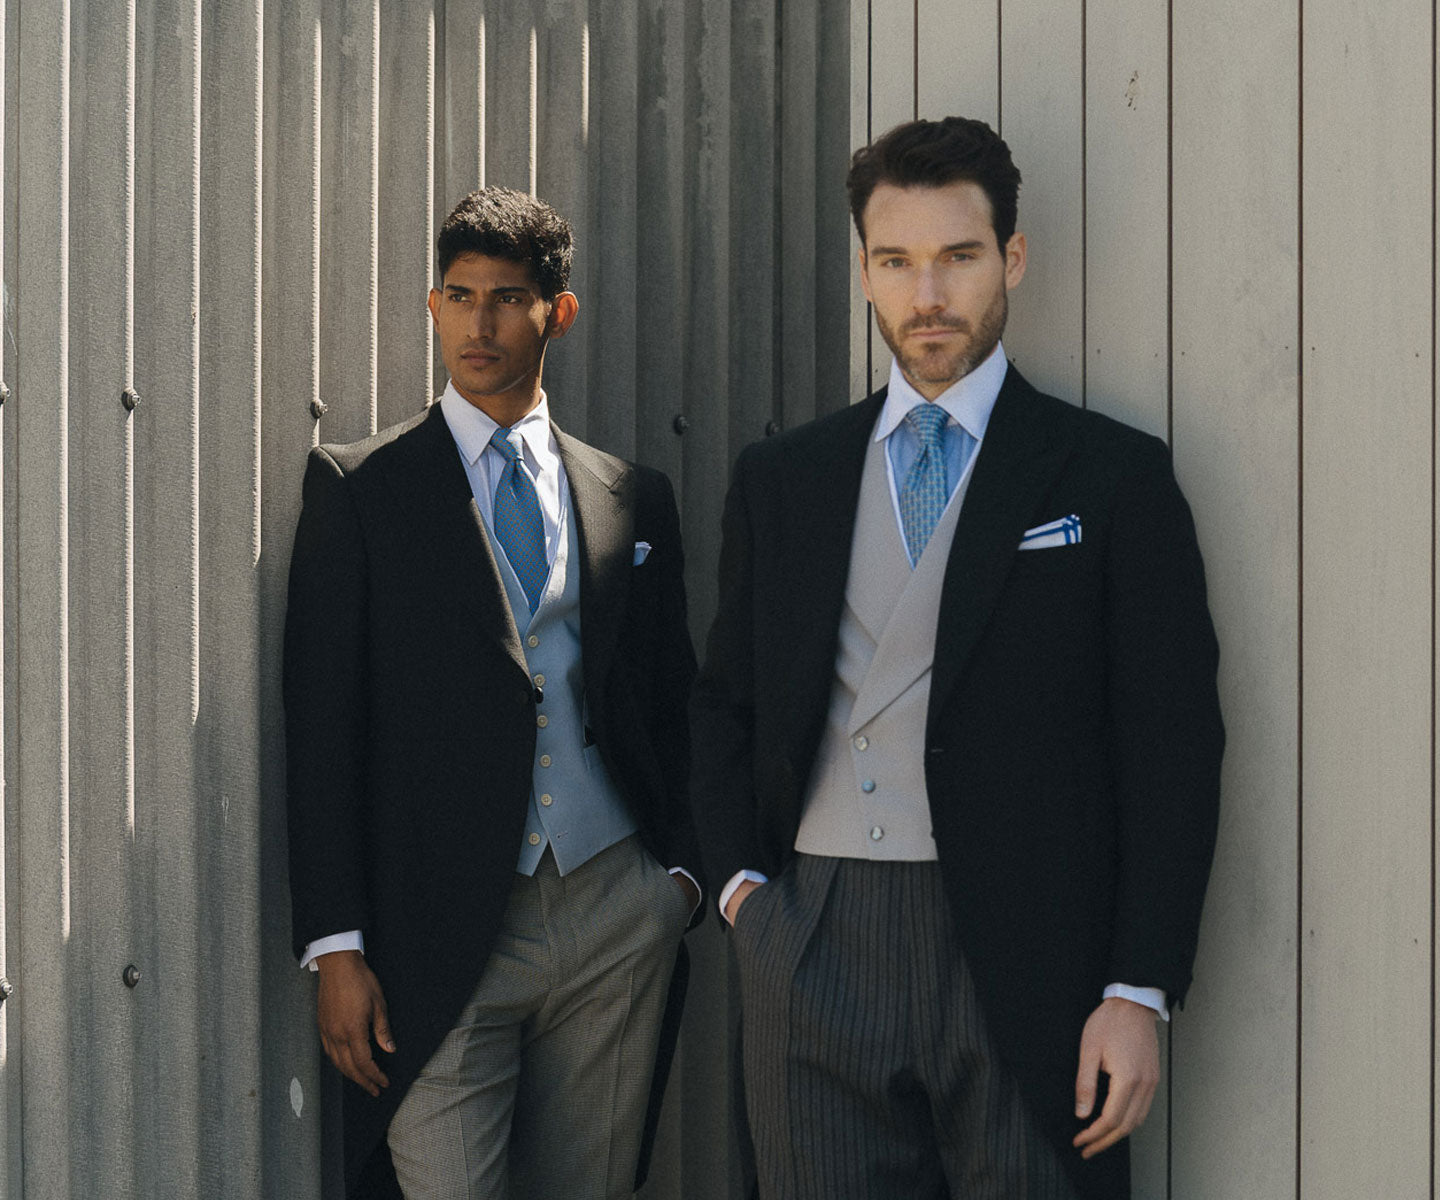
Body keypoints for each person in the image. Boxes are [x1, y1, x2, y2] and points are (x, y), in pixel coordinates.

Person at [690, 116, 1223, 1200]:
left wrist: (1138, 988)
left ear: (1011, 259)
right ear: (865, 273)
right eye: (896, 261)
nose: (927, 294)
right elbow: (725, 706)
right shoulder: (784, 479)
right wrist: (749, 899)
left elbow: (1172, 747)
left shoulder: (1111, 475)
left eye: (958, 256)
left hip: (1034, 955)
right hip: (816, 936)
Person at [284, 186, 702, 1199]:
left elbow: (673, 700)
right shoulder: (361, 488)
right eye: (459, 296)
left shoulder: (631, 495)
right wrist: (336, 946)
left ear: (558, 312)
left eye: (508, 298)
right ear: (434, 305)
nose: (478, 324)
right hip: (436, 932)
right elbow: (322, 728)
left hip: (612, 907)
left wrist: (677, 885)